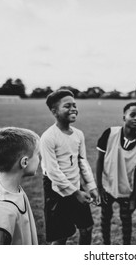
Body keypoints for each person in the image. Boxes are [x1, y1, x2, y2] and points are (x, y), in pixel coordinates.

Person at [40, 89, 98, 245]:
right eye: (67, 106)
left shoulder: (78, 134)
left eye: (74, 105)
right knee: (61, 238)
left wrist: (91, 187)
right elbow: (52, 172)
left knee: (87, 229)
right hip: (56, 191)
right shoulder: (48, 137)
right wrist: (75, 192)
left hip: (76, 187)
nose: (73, 109)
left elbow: (82, 161)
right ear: (54, 111)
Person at [0, 127, 40, 245]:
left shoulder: (6, 187)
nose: (39, 159)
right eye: (37, 154)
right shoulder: (2, 215)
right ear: (24, 162)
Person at [95, 102, 136, 245]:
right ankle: (106, 246)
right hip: (107, 186)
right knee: (105, 218)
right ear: (124, 117)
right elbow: (99, 161)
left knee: (126, 221)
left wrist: (134, 198)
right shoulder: (110, 133)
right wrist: (99, 188)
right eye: (132, 115)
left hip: (126, 189)